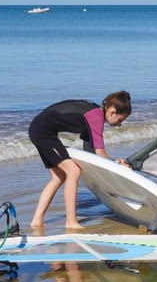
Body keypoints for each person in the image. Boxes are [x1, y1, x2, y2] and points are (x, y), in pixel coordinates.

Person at [28, 92, 132, 231]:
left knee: (58, 177)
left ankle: (36, 221)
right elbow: (100, 153)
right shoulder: (96, 117)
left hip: (39, 128)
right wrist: (117, 164)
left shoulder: (94, 113)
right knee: (73, 171)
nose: (120, 125)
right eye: (120, 120)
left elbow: (91, 152)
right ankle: (71, 222)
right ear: (112, 112)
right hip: (43, 132)